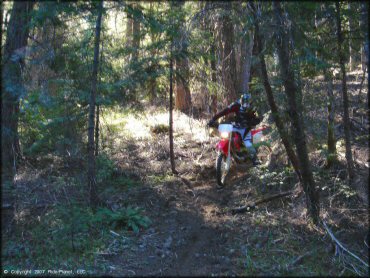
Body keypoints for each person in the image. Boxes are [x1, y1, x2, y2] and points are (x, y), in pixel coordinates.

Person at [207, 93, 261, 166]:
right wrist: (213, 119)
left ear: (250, 102)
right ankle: (231, 152)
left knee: (247, 144)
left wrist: (253, 122)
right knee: (227, 137)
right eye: (244, 101)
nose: (245, 104)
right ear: (241, 101)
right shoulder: (236, 105)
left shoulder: (253, 108)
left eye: (247, 102)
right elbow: (224, 111)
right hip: (236, 126)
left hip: (246, 128)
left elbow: (257, 118)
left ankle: (255, 160)